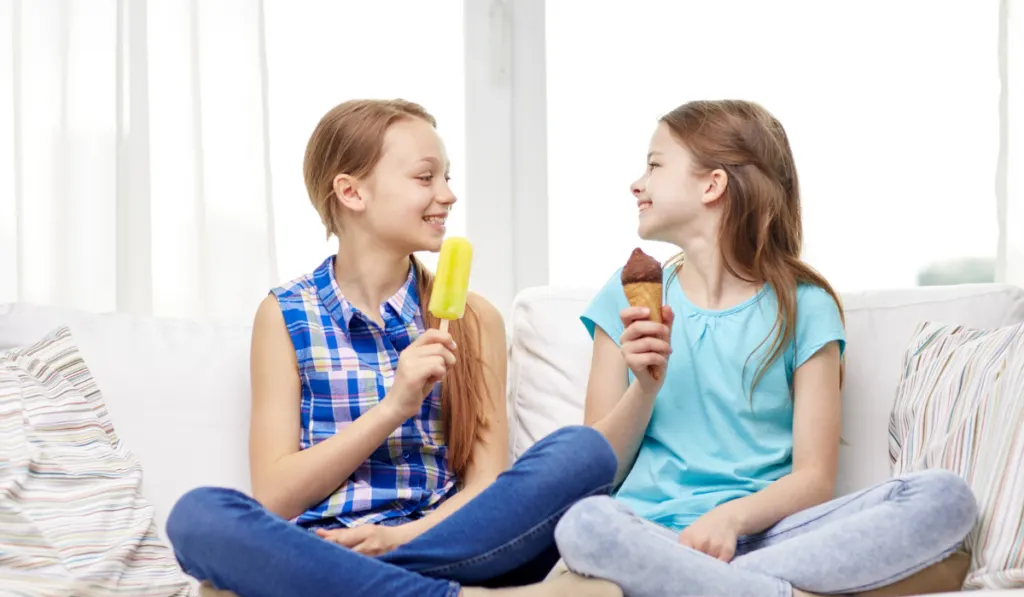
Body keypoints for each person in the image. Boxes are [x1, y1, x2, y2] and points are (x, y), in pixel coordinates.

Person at [165, 99, 623, 597]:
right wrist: (393, 407)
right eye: (426, 178)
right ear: (352, 191)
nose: (447, 195)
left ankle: (359, 585)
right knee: (198, 516)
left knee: (585, 452)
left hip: (445, 543)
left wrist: (396, 538)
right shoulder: (285, 316)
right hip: (323, 544)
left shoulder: (473, 320)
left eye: (447, 177)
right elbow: (275, 496)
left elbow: (485, 485)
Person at [550, 99, 980, 597]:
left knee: (945, 498)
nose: (637, 183)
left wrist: (731, 518)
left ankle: (718, 587)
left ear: (712, 184)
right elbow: (597, 474)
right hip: (656, 535)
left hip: (775, 537)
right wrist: (643, 390)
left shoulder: (805, 306)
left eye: (654, 165)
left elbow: (814, 478)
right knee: (583, 523)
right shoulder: (624, 297)